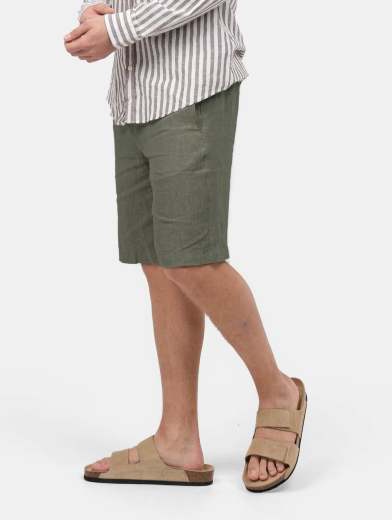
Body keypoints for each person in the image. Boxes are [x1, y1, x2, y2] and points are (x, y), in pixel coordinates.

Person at [64, 0, 307, 493]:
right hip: (134, 90)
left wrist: (118, 29)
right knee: (157, 259)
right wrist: (95, 16)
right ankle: (177, 440)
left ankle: (278, 392)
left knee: (192, 258)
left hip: (192, 86)